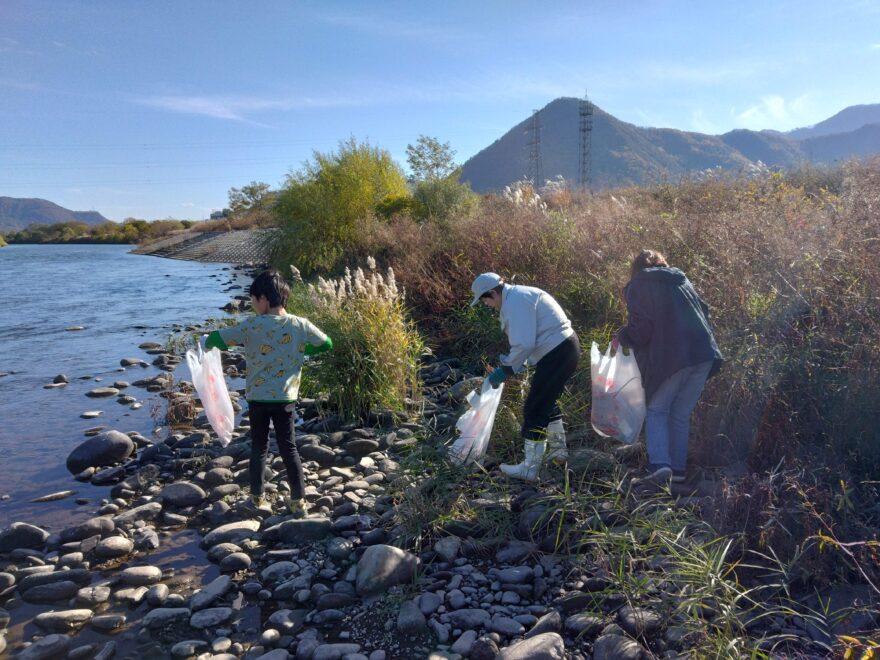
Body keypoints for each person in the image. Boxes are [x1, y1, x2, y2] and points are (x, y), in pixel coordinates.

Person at [205, 268, 332, 515]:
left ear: (263, 298)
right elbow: (326, 343)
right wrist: (302, 352)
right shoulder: (299, 324)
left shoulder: (251, 325)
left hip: (257, 398)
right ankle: (298, 500)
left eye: (253, 301)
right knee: (289, 447)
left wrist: (204, 343)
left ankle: (257, 497)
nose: (253, 306)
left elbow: (216, 340)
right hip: (285, 398)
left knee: (259, 447)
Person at [614, 250, 723, 485]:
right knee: (680, 414)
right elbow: (705, 311)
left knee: (657, 409)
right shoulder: (681, 281)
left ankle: (660, 466)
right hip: (704, 354)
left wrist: (623, 336)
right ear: (663, 264)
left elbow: (642, 330)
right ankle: (678, 471)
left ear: (636, 269)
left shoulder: (639, 285)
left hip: (675, 357)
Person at [471, 272, 581, 481]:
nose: (486, 305)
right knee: (546, 401)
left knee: (534, 408)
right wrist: (511, 365)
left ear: (493, 293)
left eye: (484, 299)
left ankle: (530, 468)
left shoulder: (516, 302)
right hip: (563, 349)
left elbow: (525, 343)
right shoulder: (518, 296)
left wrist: (507, 369)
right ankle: (559, 453)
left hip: (558, 352)